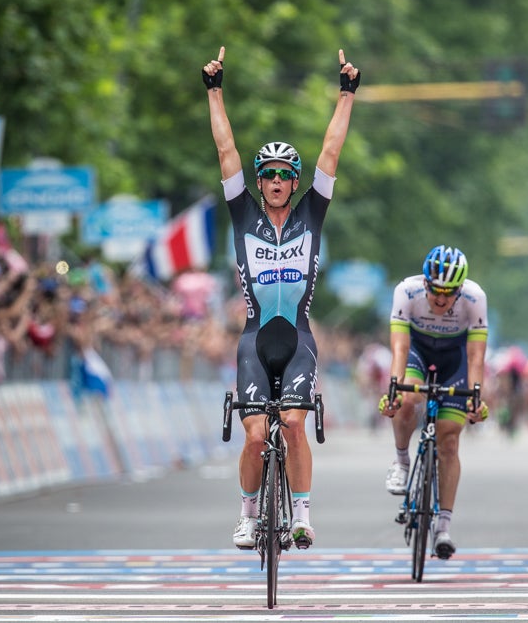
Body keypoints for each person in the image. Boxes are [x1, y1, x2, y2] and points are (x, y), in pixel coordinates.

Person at [203, 45, 360, 550]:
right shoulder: (242, 214)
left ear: (294, 182)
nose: (275, 181)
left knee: (293, 422)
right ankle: (248, 515)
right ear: (259, 181)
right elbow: (225, 150)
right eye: (267, 174)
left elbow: (330, 151)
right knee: (254, 435)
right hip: (254, 340)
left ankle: (303, 516)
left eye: (283, 174)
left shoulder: (312, 213)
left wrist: (346, 94)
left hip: (298, 339)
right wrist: (214, 91)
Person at [378, 245, 489, 559]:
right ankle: (401, 461)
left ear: (460, 289)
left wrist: (475, 397)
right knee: (407, 397)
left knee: (449, 439)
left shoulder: (475, 298)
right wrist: (393, 390)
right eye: (435, 291)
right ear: (424, 282)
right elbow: (400, 350)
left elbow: (475, 356)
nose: (441, 299)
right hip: (417, 351)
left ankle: (443, 527)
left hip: (455, 359)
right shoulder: (406, 291)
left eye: (449, 293)